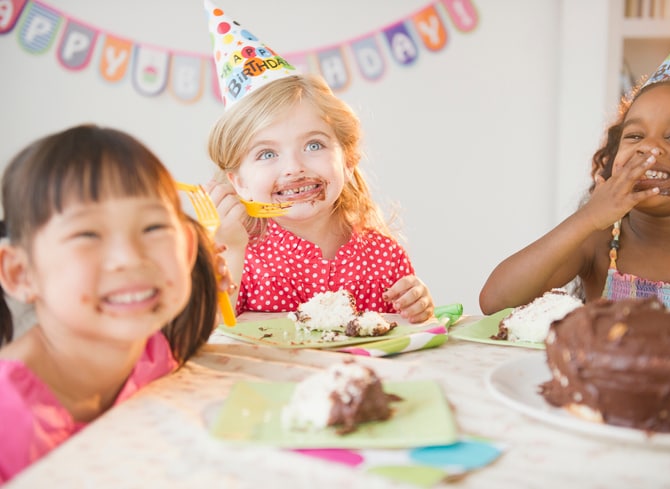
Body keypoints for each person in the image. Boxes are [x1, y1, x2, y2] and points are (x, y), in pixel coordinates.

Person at [0, 124, 227, 483]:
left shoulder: (158, 355)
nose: (129, 258)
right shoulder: (8, 414)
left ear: (184, 248)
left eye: (152, 228)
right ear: (20, 273)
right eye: (87, 234)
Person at [479, 75, 670, 319]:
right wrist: (589, 217)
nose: (648, 146)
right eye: (634, 135)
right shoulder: (598, 244)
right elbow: (496, 301)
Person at [206, 73, 434, 323]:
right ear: (239, 183)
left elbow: (407, 338)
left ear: (348, 162)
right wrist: (232, 250)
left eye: (314, 145)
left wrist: (417, 307)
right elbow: (210, 334)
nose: (294, 167)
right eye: (267, 153)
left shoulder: (385, 255)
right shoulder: (239, 255)